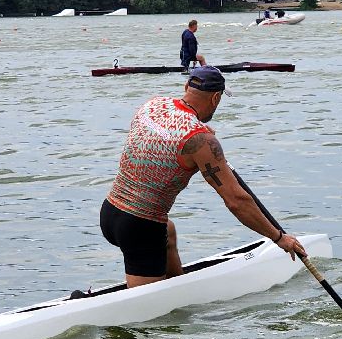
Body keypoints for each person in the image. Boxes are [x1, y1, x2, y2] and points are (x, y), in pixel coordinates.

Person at [100, 65, 308, 287]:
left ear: (186, 86)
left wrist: (201, 136)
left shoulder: (153, 105)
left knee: (167, 232)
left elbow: (166, 136)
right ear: (216, 98)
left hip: (110, 212)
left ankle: (178, 285)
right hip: (140, 228)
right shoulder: (201, 142)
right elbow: (237, 201)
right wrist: (278, 238)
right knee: (144, 317)